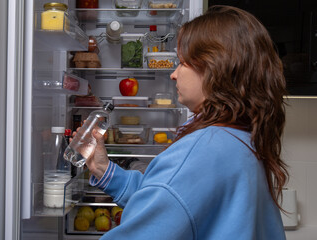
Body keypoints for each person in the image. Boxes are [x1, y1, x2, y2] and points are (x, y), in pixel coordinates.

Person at [77, 5, 289, 239]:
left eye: (182, 62)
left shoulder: (202, 152)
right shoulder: (242, 140)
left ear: (214, 67)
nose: (173, 74)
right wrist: (103, 170)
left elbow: (172, 197)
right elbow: (175, 202)